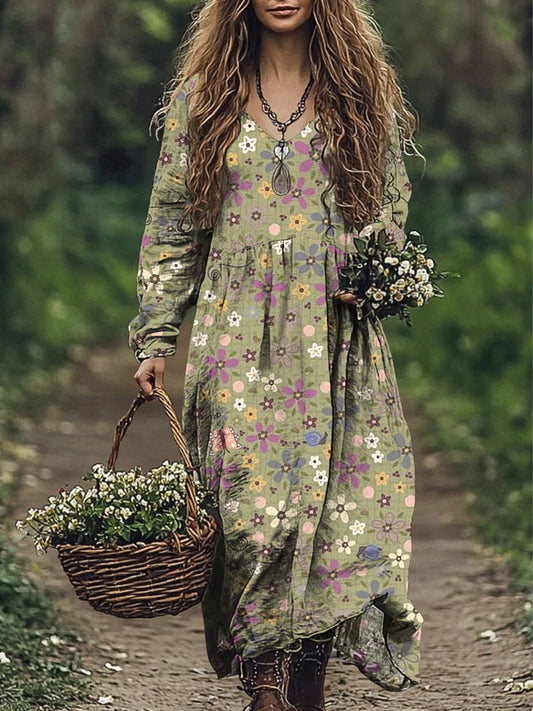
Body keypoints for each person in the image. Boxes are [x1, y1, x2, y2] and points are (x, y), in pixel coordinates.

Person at [129, 1, 424, 709]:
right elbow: (173, 222)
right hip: (236, 333)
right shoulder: (204, 100)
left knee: (329, 513)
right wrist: (157, 332)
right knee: (252, 510)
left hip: (332, 335)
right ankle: (263, 678)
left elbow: (389, 203)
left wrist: (369, 265)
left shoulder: (359, 88)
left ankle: (308, 675)